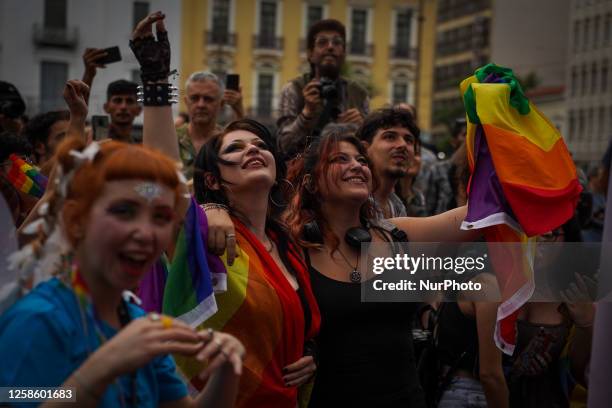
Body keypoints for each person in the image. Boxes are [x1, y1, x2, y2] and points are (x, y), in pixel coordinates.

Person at [132, 12, 321, 407]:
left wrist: (312, 355)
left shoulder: (288, 244)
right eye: (235, 148)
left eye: (260, 144)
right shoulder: (206, 235)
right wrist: (154, 81)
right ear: (213, 179)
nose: (252, 148)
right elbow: (164, 179)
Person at [0, 135, 245, 407]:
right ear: (75, 220)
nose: (146, 233)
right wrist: (103, 367)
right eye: (124, 211)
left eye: (161, 217)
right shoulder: (38, 319)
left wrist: (226, 370)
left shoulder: (136, 321)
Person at [282, 124, 479, 407]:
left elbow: (484, 214)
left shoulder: (397, 235)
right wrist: (217, 211)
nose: (357, 166)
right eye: (340, 159)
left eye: (361, 160)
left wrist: (489, 123)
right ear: (312, 183)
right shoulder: (293, 248)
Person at [277, 18, 369, 160]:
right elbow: (284, 146)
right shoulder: (294, 89)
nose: (330, 47)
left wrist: (362, 127)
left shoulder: (359, 94)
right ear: (310, 54)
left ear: (344, 53)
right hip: (305, 176)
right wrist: (306, 114)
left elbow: (369, 148)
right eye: (322, 42)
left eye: (337, 42)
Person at [355, 107, 420, 218]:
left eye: (409, 140)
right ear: (364, 148)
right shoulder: (352, 201)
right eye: (390, 137)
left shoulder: (397, 206)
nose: (403, 145)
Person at [178, 71, 244, 180]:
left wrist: (239, 110)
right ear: (186, 101)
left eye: (208, 99)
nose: (201, 105)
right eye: (194, 98)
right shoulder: (171, 139)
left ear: (221, 104)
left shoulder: (226, 141)